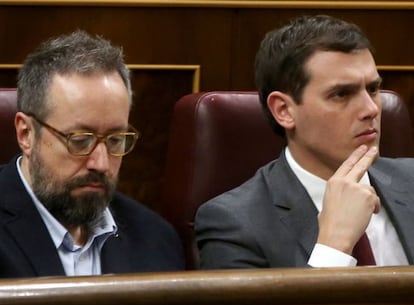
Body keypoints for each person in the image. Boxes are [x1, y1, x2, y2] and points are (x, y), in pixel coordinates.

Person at [195, 15, 414, 269]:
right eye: (341, 94)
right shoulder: (234, 224)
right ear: (284, 110)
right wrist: (334, 245)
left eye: (373, 89)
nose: (371, 109)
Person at [0, 30, 184, 278]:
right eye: (80, 140)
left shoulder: (155, 239)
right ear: (26, 134)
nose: (101, 163)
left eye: (115, 140)